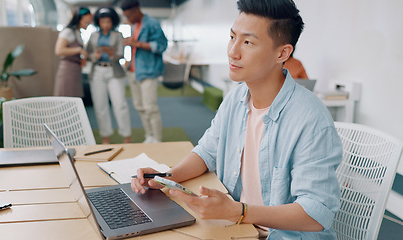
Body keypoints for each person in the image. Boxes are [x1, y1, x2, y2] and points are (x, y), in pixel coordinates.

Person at [131, 0, 343, 239]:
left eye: (248, 42)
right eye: (232, 37)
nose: (233, 51)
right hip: (237, 228)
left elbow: (316, 214)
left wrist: (238, 212)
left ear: (282, 53)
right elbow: (207, 152)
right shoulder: (236, 98)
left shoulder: (310, 119)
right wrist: (166, 178)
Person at [120, 0, 168, 143]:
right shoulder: (134, 25)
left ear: (136, 10)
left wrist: (137, 44)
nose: (128, 19)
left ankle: (157, 139)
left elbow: (162, 45)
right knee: (140, 107)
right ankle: (149, 136)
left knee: (150, 107)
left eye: (129, 16)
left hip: (148, 71)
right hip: (133, 70)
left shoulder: (152, 23)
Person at [86, 7, 132, 144]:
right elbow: (87, 54)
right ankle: (106, 136)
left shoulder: (117, 35)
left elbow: (121, 54)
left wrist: (112, 54)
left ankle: (126, 136)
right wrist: (94, 55)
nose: (105, 24)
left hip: (114, 71)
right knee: (100, 106)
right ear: (98, 22)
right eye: (102, 21)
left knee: (120, 104)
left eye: (108, 21)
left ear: (113, 22)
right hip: (97, 72)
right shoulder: (93, 36)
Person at [54, 7, 92, 97]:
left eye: (89, 23)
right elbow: (59, 51)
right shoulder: (68, 32)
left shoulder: (78, 33)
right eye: (86, 22)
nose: (87, 25)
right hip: (67, 70)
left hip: (76, 70)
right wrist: (79, 50)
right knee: (66, 98)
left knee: (75, 98)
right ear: (78, 20)